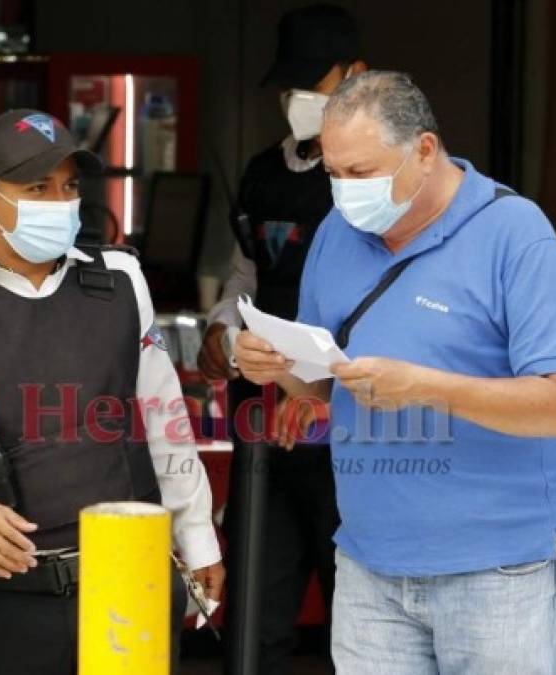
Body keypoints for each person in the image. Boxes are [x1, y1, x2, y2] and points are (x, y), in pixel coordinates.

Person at [235, 71, 556, 674]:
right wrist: (275, 365)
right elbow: (323, 385)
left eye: (363, 173)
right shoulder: (335, 236)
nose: (346, 192)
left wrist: (423, 387)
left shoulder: (516, 235)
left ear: (424, 151)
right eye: (334, 174)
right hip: (371, 566)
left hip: (503, 568)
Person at [0, 109, 225, 674]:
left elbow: (164, 420)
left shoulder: (119, 280)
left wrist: (198, 535)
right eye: (38, 187)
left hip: (133, 576)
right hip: (15, 599)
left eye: (69, 186)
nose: (60, 202)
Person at [196, 5, 364, 673]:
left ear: (355, 76)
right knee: (257, 617)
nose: (297, 100)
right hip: (263, 425)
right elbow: (245, 271)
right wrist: (219, 331)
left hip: (351, 436)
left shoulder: (377, 182)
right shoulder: (263, 172)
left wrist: (325, 392)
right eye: (287, 85)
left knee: (359, 617)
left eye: (312, 83)